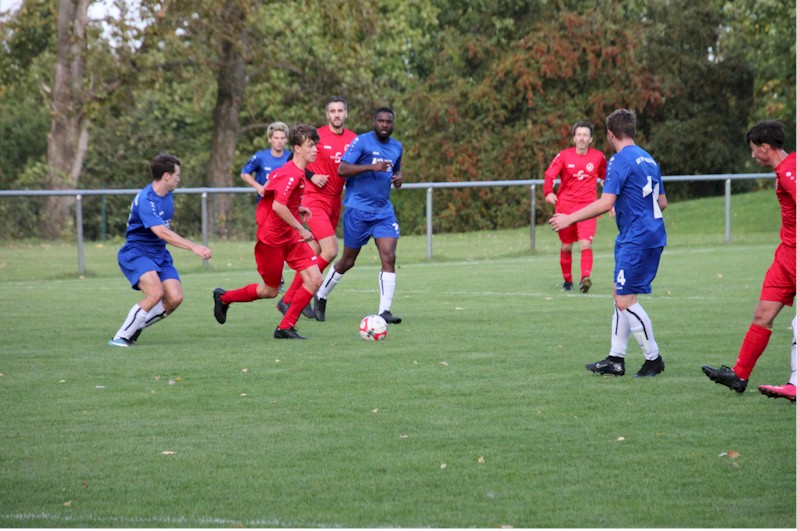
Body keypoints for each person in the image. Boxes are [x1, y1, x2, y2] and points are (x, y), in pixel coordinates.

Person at [550, 109, 667, 377]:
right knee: (620, 295)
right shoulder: (649, 160)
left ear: (610, 134)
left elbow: (605, 202)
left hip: (636, 238)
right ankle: (616, 359)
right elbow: (662, 202)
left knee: (625, 301)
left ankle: (653, 358)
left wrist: (569, 218)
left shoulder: (619, 160)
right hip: (648, 235)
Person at [702, 120, 796, 401]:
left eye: (754, 149)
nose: (753, 155)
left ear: (765, 147)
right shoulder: (786, 167)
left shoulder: (789, 171)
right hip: (786, 255)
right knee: (762, 315)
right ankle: (740, 374)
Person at [212, 124, 323, 339]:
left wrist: (297, 208)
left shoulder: (296, 172)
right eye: (310, 145)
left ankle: (285, 327)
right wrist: (301, 228)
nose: (315, 149)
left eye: (315, 145)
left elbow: (277, 197)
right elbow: (277, 206)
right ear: (297, 148)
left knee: (315, 279)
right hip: (272, 240)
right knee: (270, 291)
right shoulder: (292, 174)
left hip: (289, 238)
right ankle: (224, 298)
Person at [109, 153, 213, 347]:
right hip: (137, 252)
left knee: (175, 298)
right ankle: (120, 337)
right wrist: (193, 246)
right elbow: (162, 233)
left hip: (159, 254)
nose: (179, 179)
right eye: (177, 175)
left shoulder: (167, 194)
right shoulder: (147, 200)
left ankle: (134, 327)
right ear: (166, 175)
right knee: (155, 293)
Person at [313, 107, 404, 324]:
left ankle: (384, 312)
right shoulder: (362, 142)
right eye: (380, 121)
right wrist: (372, 167)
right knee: (348, 260)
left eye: (388, 122)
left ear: (392, 124)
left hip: (383, 211)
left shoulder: (396, 147)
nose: (384, 125)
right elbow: (342, 169)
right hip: (358, 210)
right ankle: (321, 295)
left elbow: (396, 170)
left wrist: (398, 179)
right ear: (375, 122)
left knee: (389, 257)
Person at [277, 96, 357, 321]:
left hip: (334, 202)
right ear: (327, 115)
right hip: (314, 200)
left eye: (340, 110)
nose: (337, 115)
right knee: (331, 250)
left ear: (346, 114)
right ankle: (301, 294)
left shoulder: (354, 139)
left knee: (313, 252)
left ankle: (288, 300)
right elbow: (293, 160)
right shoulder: (316, 137)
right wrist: (312, 175)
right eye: (332, 111)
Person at [544, 120, 608, 292]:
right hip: (565, 209)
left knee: (585, 244)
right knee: (566, 246)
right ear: (574, 138)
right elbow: (550, 174)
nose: (582, 138)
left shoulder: (598, 157)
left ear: (590, 139)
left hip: (588, 208)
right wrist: (549, 192)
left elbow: (607, 178)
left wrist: (612, 201)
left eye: (585, 135)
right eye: (579, 134)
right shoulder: (564, 155)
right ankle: (567, 281)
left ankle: (585, 278)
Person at [240, 121, 291, 198]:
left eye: (282, 138)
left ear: (286, 140)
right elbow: (244, 174)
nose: (279, 141)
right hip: (264, 204)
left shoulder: (291, 157)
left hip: (285, 204)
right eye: (276, 138)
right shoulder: (260, 157)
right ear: (270, 139)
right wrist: (258, 186)